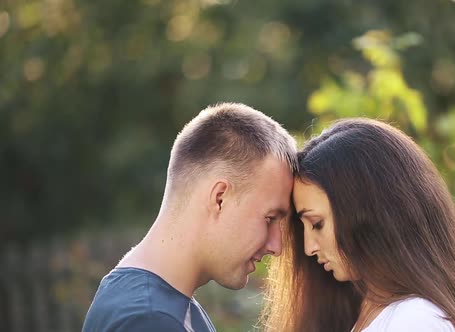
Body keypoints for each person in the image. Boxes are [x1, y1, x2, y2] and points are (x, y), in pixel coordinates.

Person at [261, 119, 455, 332]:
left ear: (368, 213)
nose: (309, 248)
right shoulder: (373, 313)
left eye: (316, 223)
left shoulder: (416, 320)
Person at [82, 103, 297, 332]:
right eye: (270, 218)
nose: (277, 246)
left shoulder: (153, 304)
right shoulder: (149, 320)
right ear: (220, 198)